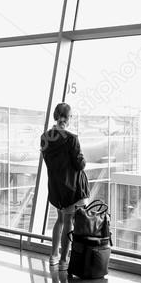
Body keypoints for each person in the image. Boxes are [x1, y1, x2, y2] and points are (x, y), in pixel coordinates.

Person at [40, 102, 90, 269]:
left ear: (56, 116)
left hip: (56, 187)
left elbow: (49, 162)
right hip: (71, 188)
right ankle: (63, 260)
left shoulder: (45, 137)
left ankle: (53, 255)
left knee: (59, 220)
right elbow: (80, 164)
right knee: (68, 222)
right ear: (68, 118)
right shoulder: (72, 139)